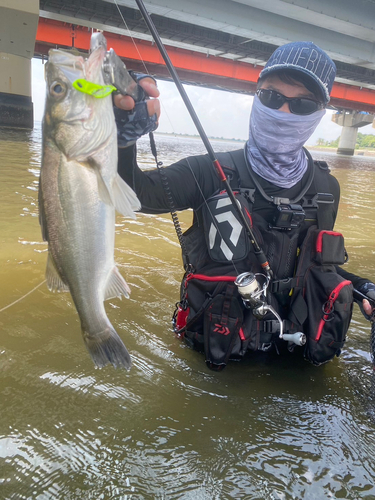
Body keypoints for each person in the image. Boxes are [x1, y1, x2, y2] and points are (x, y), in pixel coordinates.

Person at [114, 41, 375, 370]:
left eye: (302, 105)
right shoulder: (207, 172)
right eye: (272, 97)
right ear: (256, 96)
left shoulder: (327, 189)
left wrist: (363, 287)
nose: (283, 112)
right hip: (217, 363)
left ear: (320, 114)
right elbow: (131, 192)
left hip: (292, 357)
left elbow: (316, 265)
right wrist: (123, 136)